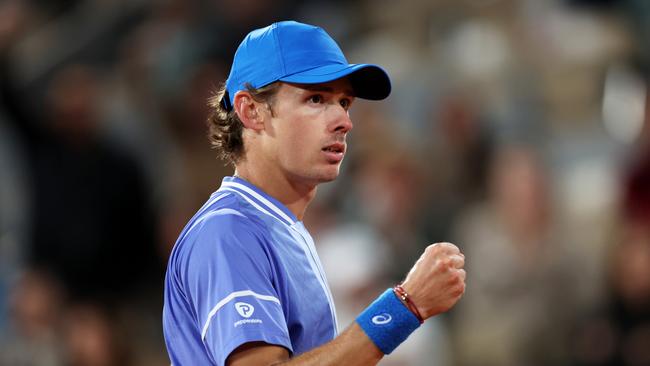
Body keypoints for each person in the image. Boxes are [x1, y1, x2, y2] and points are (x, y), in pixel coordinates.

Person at [162, 20, 466, 366]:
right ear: (251, 111)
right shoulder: (228, 232)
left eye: (345, 102)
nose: (343, 121)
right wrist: (405, 306)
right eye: (316, 98)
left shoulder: (278, 227)